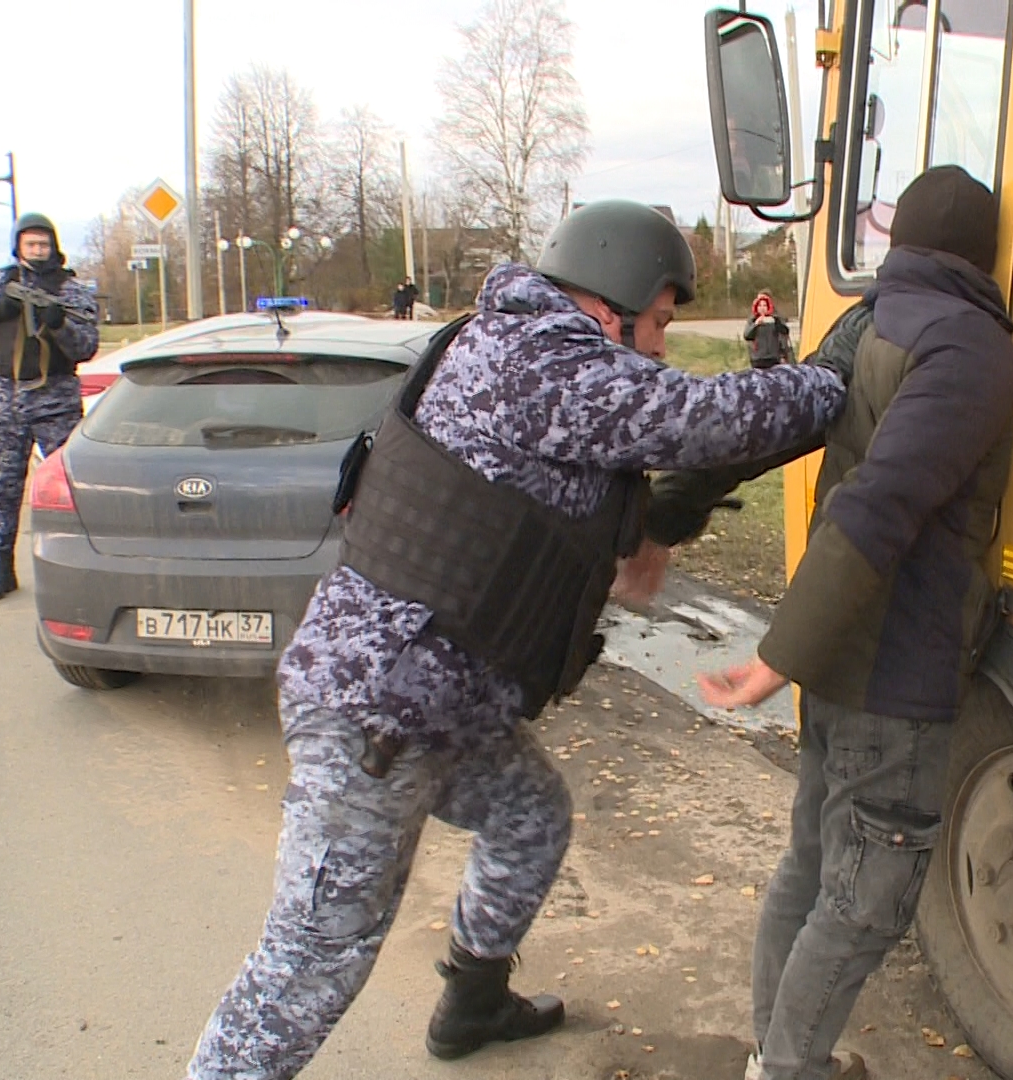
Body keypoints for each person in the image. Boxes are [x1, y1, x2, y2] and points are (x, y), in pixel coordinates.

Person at [186, 199, 856, 1080]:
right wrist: (834, 371)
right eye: (657, 322)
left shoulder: (520, 347)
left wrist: (658, 520)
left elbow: (574, 511)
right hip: (377, 714)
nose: (660, 342)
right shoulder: (539, 360)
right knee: (312, 962)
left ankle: (473, 1000)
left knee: (530, 815)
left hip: (436, 704)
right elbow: (705, 418)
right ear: (611, 299)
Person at [651, 166, 1013, 1080]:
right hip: (895, 668)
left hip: (849, 660)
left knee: (815, 870)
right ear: (986, 253)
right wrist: (776, 657)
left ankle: (773, 1056)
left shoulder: (870, 322)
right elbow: (877, 506)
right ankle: (788, 1068)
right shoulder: (969, 347)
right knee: (867, 901)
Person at [0, 212, 98, 602]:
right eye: (30, 244)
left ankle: (79, 571)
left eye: (43, 244)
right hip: (9, 403)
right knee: (5, 489)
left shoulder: (71, 290)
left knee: (69, 489)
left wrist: (58, 325)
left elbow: (86, 346)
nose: (37, 251)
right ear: (18, 246)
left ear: (54, 247)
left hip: (56, 403)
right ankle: (3, 568)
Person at [743, 290, 791, 368]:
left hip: (773, 358)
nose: (762, 308)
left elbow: (784, 334)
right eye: (759, 305)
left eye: (764, 305)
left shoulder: (775, 319)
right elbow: (747, 335)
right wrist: (756, 325)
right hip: (757, 359)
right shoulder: (752, 320)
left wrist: (782, 355)